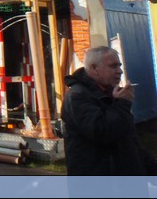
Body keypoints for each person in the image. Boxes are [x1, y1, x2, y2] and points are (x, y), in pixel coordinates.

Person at [62, 46, 157, 175]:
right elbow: (103, 132)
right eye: (113, 66)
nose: (120, 71)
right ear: (94, 69)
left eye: (120, 66)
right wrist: (122, 103)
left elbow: (129, 141)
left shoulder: (109, 93)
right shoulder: (77, 97)